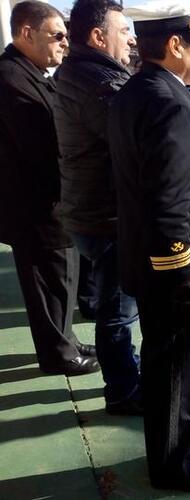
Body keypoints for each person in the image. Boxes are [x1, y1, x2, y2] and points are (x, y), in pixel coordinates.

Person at [108, 0, 190, 490]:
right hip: (178, 271)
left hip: (152, 261)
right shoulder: (169, 102)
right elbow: (167, 204)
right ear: (176, 46)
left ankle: (183, 434)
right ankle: (172, 463)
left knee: (172, 360)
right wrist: (183, 274)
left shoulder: (139, 91)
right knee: (175, 363)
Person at [0, 0, 99, 376]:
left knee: (63, 277)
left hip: (50, 203)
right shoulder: (10, 77)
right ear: (27, 33)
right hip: (35, 206)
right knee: (49, 281)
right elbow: (42, 145)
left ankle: (66, 340)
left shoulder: (30, 73)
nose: (64, 44)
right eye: (57, 35)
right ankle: (58, 353)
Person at [53, 0, 142, 413]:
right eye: (124, 31)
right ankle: (123, 390)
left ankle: (125, 372)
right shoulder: (98, 82)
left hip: (93, 211)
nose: (132, 39)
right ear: (97, 37)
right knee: (118, 312)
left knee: (115, 306)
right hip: (105, 216)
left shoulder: (84, 72)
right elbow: (136, 140)